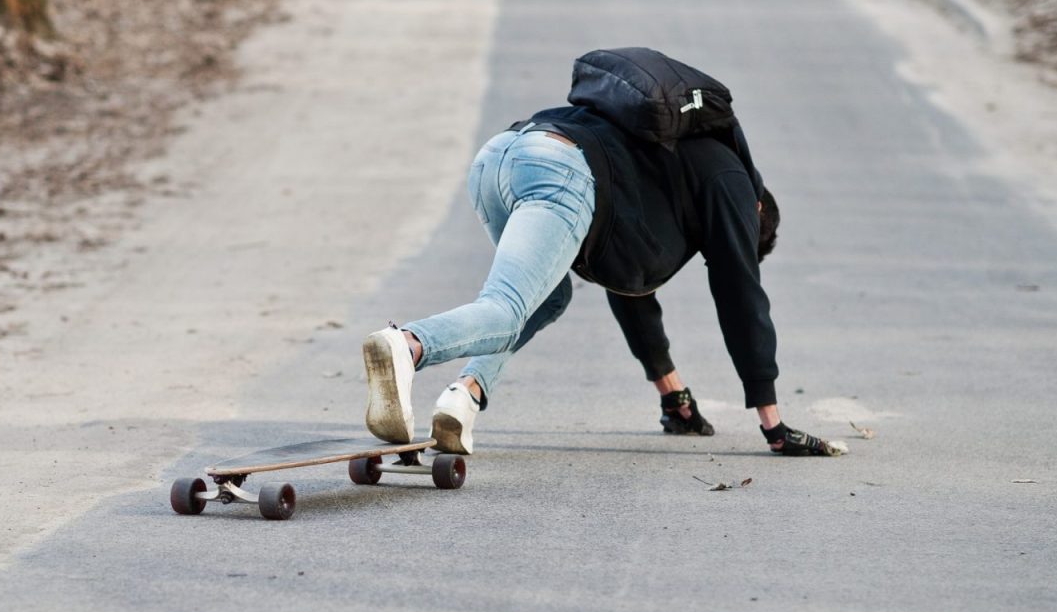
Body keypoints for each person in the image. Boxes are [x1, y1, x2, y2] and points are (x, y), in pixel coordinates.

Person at [361, 47, 844, 458]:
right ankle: (408, 345)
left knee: (546, 298)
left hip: (502, 154)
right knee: (506, 310)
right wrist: (773, 424)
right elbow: (742, 296)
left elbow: (630, 285)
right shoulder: (734, 185)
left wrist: (673, 397)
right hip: (560, 171)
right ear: (756, 215)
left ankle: (464, 396)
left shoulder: (677, 158)